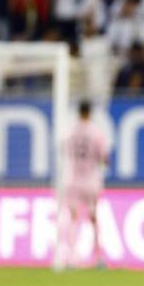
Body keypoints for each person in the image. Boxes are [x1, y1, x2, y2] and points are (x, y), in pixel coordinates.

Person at [54, 101, 110, 271]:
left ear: (79, 113)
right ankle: (98, 257)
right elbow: (104, 157)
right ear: (89, 113)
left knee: (72, 217)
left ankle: (71, 258)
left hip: (72, 179)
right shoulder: (96, 132)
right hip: (90, 179)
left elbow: (63, 150)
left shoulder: (69, 131)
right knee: (93, 218)